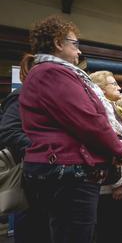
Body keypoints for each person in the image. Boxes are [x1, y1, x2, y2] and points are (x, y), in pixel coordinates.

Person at [18, 15, 122, 243]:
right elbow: (88, 121)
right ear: (59, 43)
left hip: (61, 168)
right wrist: (119, 150)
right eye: (75, 44)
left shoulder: (45, 72)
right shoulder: (53, 72)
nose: (79, 51)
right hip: (69, 171)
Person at [0, 67, 50, 243]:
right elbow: (9, 130)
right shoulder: (22, 95)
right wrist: (44, 149)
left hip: (44, 171)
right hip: (31, 171)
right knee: (31, 222)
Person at [90, 71, 122, 243]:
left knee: (121, 229)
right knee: (111, 230)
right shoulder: (103, 110)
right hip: (112, 186)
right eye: (113, 84)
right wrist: (117, 184)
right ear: (101, 90)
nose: (119, 87)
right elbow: (108, 146)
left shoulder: (116, 109)